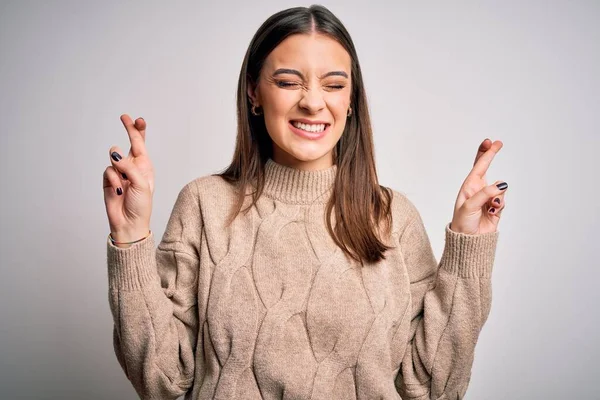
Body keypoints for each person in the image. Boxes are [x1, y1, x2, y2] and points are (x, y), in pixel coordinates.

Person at [102, 5, 507, 400]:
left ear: (351, 101)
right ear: (253, 92)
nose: (314, 102)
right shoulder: (203, 205)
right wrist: (130, 236)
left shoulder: (393, 218)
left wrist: (465, 254)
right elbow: (162, 381)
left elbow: (432, 389)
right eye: (288, 81)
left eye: (333, 85)